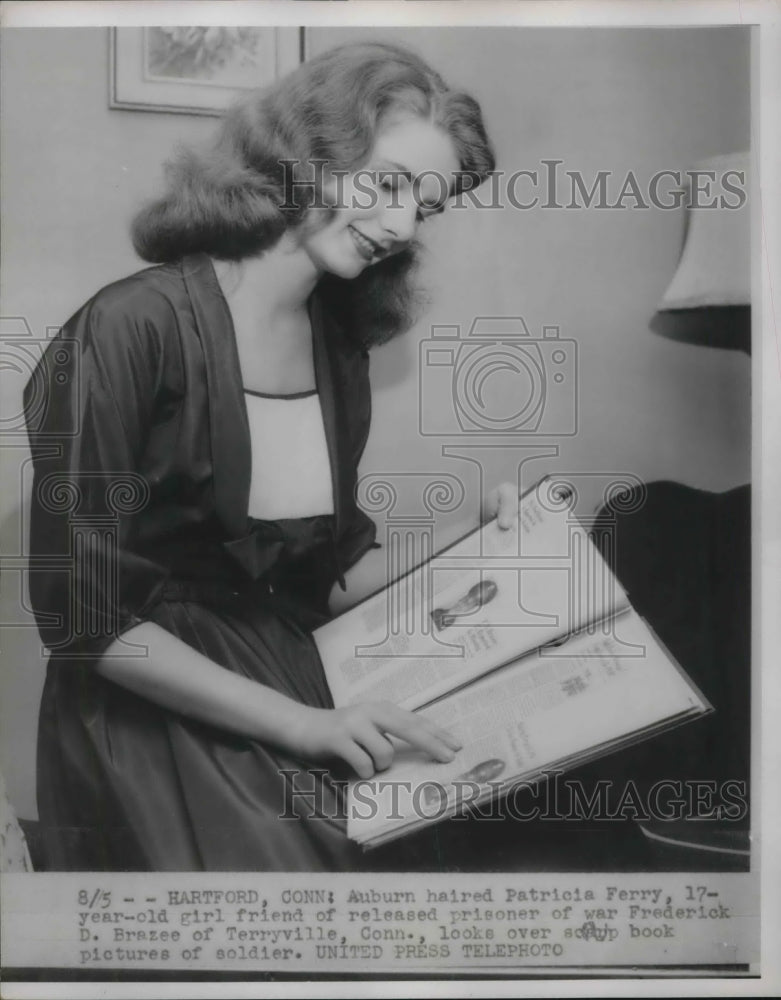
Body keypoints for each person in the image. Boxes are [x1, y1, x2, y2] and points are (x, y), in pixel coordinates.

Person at [24, 42, 513, 872]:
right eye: (386, 183)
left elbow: (326, 571)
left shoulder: (339, 347)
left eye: (424, 208)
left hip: (293, 672)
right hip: (151, 711)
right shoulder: (126, 328)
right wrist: (304, 727)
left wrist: (484, 543)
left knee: (463, 833)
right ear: (304, 158)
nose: (399, 227)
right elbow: (84, 621)